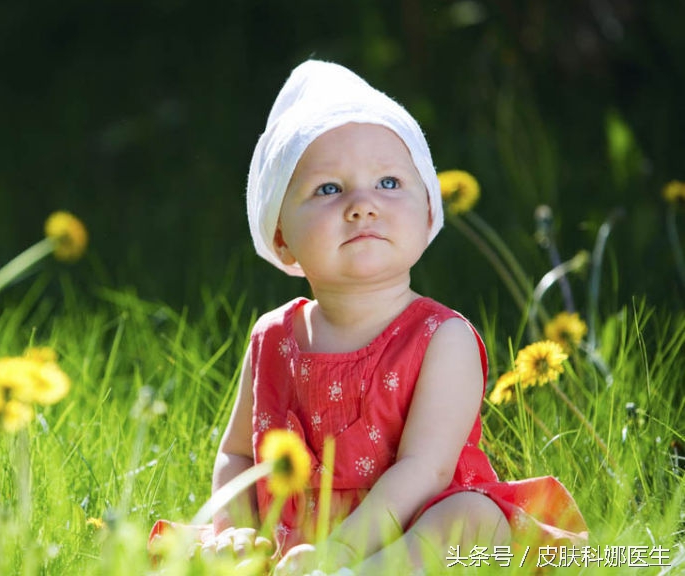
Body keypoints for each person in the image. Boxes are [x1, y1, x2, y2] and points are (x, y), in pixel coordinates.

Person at [150, 59, 588, 574]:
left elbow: (426, 468)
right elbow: (238, 457)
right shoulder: (272, 338)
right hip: (291, 549)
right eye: (329, 189)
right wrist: (235, 529)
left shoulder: (442, 338)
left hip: (404, 539)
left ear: (428, 214)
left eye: (388, 182)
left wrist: (344, 552)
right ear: (281, 237)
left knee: (471, 519)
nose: (362, 205)